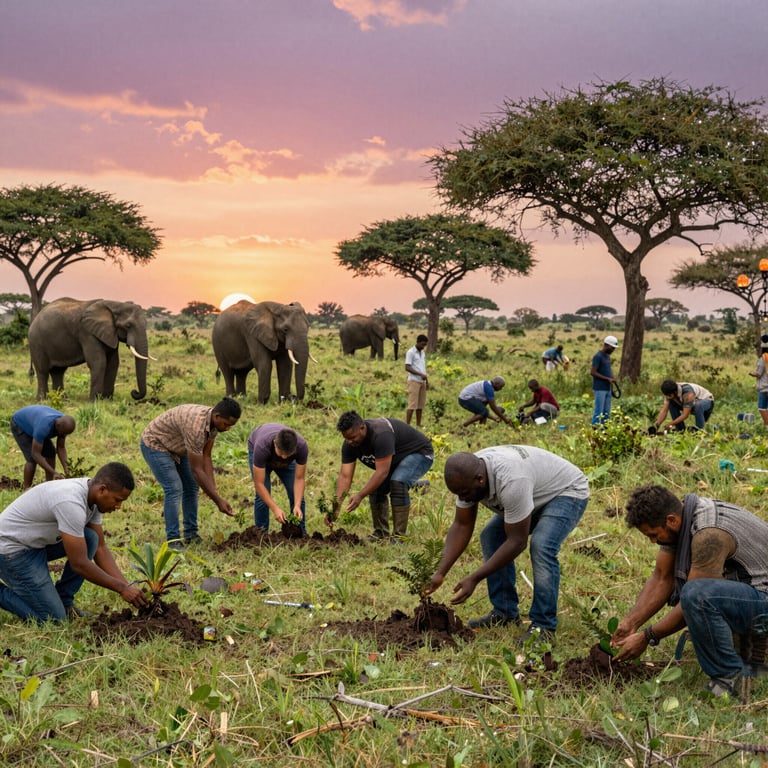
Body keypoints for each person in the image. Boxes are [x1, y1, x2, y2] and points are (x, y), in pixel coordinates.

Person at [611, 485, 768, 701]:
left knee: (697, 595)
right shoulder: (683, 519)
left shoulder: (708, 534)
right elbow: (662, 577)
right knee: (697, 593)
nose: (653, 541)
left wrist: (647, 636)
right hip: (754, 591)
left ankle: (728, 679)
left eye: (654, 535)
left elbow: (693, 601)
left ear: (671, 520)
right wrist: (631, 623)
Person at [426, 447, 588, 639]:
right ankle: (505, 613)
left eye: (464, 493)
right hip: (533, 491)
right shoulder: (467, 476)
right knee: (491, 536)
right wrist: (439, 572)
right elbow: (462, 525)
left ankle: (543, 626)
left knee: (542, 546)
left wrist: (475, 578)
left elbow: (517, 542)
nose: (463, 499)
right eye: (458, 494)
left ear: (480, 479)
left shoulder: (511, 482)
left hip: (566, 491)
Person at [0, 462, 148, 623]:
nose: (119, 506)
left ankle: (64, 601)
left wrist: (127, 587)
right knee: (53, 619)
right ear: (102, 490)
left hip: (34, 544)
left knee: (91, 538)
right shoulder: (71, 502)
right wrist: (121, 588)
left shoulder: (92, 496)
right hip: (11, 550)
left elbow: (100, 548)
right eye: (117, 500)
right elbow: (79, 564)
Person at [140, 398, 242, 550]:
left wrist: (212, 489)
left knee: (191, 487)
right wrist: (218, 501)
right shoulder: (196, 427)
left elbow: (206, 456)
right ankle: (173, 540)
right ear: (217, 416)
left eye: (231, 426)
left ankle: (191, 534)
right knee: (174, 489)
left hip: (179, 445)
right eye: (226, 424)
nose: (228, 429)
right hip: (156, 444)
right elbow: (197, 470)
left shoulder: (214, 424)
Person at [333, 410, 433, 541]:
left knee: (398, 482)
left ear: (362, 427)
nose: (350, 442)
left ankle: (399, 537)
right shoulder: (349, 445)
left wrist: (360, 495)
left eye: (352, 437)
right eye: (346, 438)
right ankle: (381, 533)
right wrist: (336, 507)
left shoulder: (380, 434)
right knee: (375, 488)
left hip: (419, 453)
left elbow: (382, 473)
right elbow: (345, 476)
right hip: (394, 460)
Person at [248, 423, 309, 534]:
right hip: (262, 455)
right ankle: (261, 534)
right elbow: (259, 484)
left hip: (284, 460)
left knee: (297, 496)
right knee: (262, 498)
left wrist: (297, 505)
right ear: (275, 443)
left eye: (288, 454)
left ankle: (300, 534)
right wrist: (275, 508)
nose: (284, 457)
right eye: (281, 453)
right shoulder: (262, 447)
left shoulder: (301, 447)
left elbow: (299, 479)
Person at [10, 405, 76, 488]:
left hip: (35, 423)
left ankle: (48, 485)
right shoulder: (44, 427)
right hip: (20, 424)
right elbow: (35, 454)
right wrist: (53, 472)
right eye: (63, 433)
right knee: (31, 459)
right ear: (58, 426)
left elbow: (61, 447)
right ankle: (26, 488)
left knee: (51, 453)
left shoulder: (64, 424)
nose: (63, 435)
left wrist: (67, 469)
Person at [590, 336, 618, 425]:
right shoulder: (598, 356)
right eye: (612, 348)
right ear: (606, 345)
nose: (613, 350)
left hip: (608, 388)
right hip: (599, 388)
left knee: (606, 412)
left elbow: (608, 370)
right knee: (599, 412)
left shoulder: (607, 357)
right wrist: (607, 379)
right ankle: (595, 429)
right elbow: (593, 372)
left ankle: (605, 429)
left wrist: (612, 377)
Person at [405, 334, 429, 427]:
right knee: (412, 405)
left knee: (420, 405)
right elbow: (407, 367)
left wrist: (427, 382)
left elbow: (423, 368)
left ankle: (418, 424)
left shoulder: (422, 353)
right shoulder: (410, 352)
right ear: (418, 342)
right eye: (422, 344)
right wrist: (420, 374)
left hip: (422, 381)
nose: (423, 347)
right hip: (414, 381)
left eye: (425, 345)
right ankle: (407, 426)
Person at [749, 334, 768, 426]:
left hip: (764, 388)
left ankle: (766, 425)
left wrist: (751, 373)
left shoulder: (763, 359)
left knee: (762, 408)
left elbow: (758, 374)